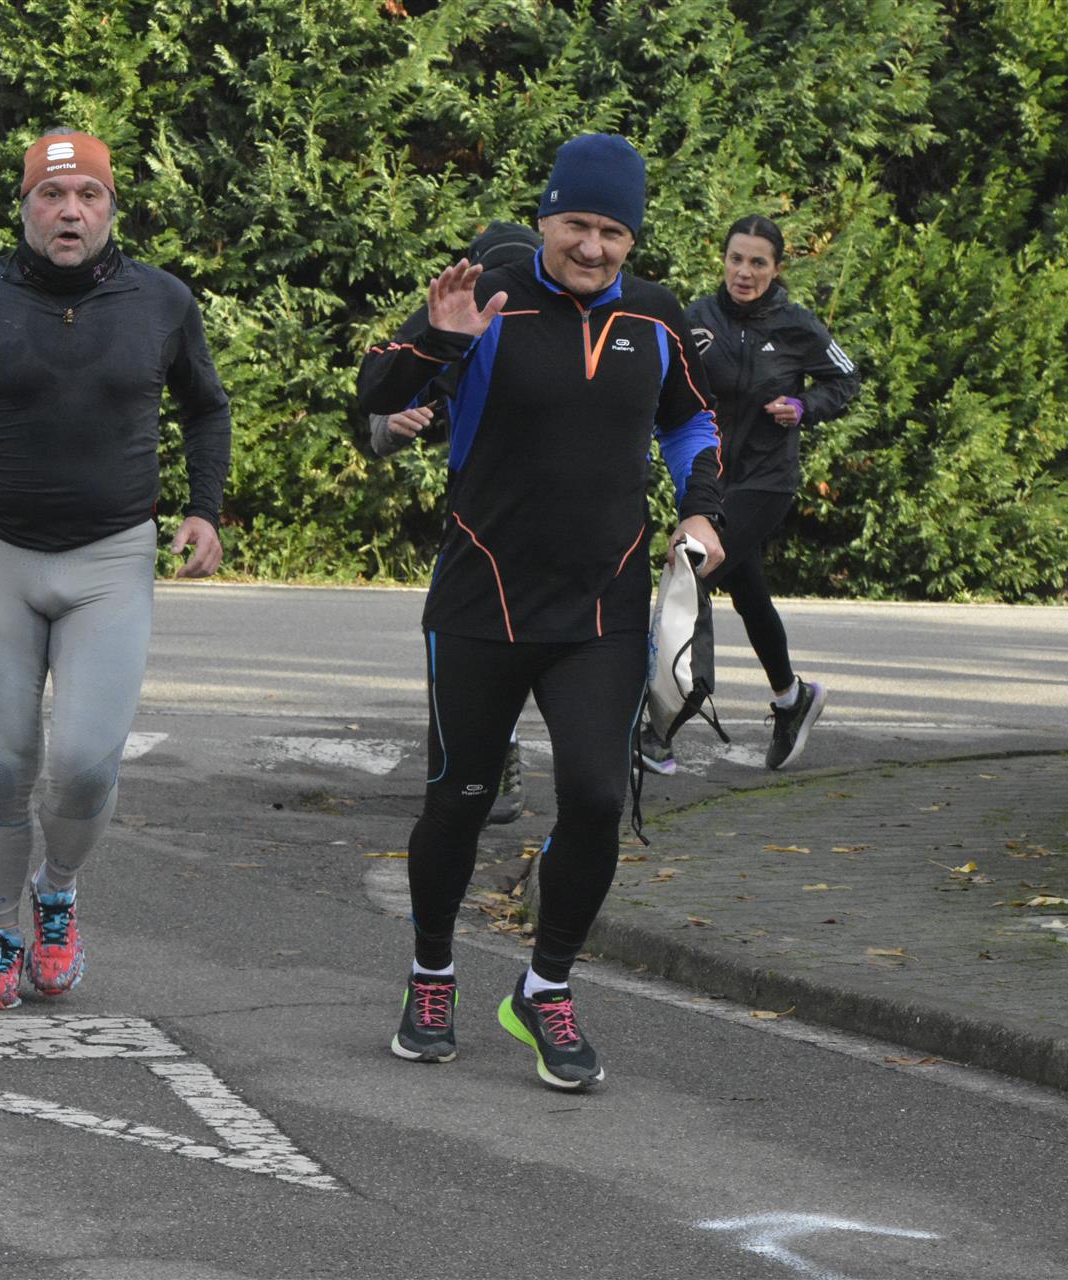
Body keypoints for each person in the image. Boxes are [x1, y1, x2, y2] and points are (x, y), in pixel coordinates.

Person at [358, 134, 725, 1090]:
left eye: (613, 231)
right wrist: (439, 340)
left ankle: (545, 986)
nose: (593, 247)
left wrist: (699, 508)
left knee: (599, 799)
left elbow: (691, 419)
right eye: (577, 226)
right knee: (461, 798)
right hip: (481, 595)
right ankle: (431, 975)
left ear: (633, 236)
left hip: (603, 603)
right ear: (546, 218)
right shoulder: (486, 298)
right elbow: (377, 396)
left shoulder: (656, 317)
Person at [0, 129, 231, 1010]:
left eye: (88, 196)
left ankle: (56, 893)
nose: (70, 212)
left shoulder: (162, 301)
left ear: (111, 209)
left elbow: (206, 409)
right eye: (52, 196)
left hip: (111, 557)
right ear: (25, 208)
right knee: (3, 764)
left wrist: (205, 509)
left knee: (86, 763)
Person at [647, 214, 860, 774]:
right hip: (709, 482)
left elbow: (846, 379)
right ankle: (792, 699)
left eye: (758, 263)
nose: (744, 272)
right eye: (736, 259)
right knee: (749, 593)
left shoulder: (797, 325)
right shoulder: (696, 319)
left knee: (692, 575)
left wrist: (804, 407)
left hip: (767, 481)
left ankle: (659, 727)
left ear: (776, 268)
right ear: (723, 260)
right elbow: (664, 386)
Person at [361, 221, 541, 827]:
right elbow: (384, 413)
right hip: (483, 522)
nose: (505, 297)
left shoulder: (572, 326)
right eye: (495, 281)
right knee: (474, 646)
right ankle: (488, 760)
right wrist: (396, 425)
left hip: (573, 524)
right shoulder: (457, 325)